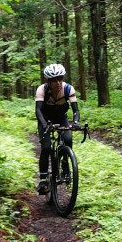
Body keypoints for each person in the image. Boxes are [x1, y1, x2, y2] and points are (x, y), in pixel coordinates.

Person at [35, 63, 81, 195]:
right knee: (47, 147)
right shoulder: (42, 90)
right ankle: (43, 180)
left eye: (60, 79)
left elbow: (75, 110)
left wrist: (76, 122)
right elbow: (38, 111)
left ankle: (65, 166)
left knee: (68, 139)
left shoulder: (68, 89)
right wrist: (44, 125)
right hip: (45, 119)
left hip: (61, 118)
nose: (58, 82)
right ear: (48, 81)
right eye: (54, 80)